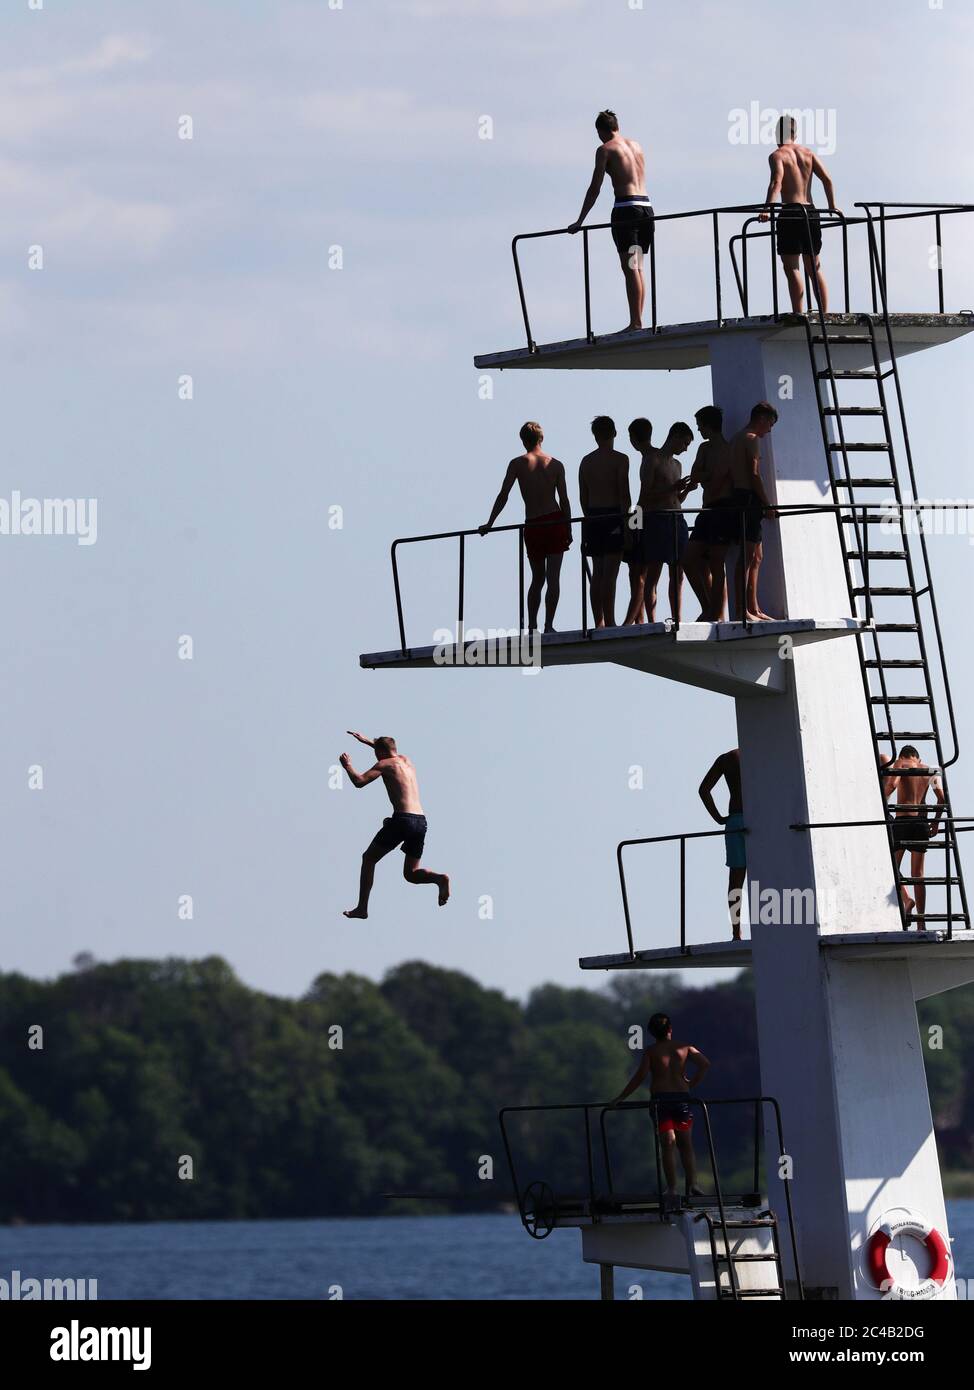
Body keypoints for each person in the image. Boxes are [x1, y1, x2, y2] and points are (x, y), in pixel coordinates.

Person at [341, 732, 450, 919]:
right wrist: (367, 741)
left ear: (380, 753)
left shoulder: (384, 765)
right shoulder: (406, 760)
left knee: (368, 859)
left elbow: (359, 782)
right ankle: (439, 879)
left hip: (402, 820)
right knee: (411, 874)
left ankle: (362, 908)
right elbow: (387, 751)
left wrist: (348, 766)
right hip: (420, 821)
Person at [480, 422, 572, 633]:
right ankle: (549, 626)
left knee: (537, 578)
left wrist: (490, 522)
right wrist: (568, 527)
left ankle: (532, 626)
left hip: (533, 524)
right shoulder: (556, 464)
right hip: (555, 520)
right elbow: (565, 500)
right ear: (542, 439)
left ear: (523, 440)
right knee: (553, 578)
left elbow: (504, 495)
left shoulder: (517, 464)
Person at [568, 110, 653, 333]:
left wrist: (579, 220)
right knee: (638, 267)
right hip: (646, 208)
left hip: (626, 211)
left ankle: (635, 323)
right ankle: (638, 321)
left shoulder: (605, 150)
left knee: (630, 268)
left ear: (601, 131)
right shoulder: (636, 145)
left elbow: (594, 188)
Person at [611, 1012, 710, 1200]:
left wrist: (621, 1097)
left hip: (662, 1102)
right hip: (681, 1099)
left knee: (668, 1143)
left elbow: (640, 1076)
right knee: (685, 1144)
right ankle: (693, 1184)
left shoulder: (651, 1051)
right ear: (670, 1029)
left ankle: (673, 1187)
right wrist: (690, 1084)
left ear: (651, 1033)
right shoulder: (685, 1047)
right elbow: (705, 1064)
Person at [759, 114, 841, 315]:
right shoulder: (808, 154)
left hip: (791, 212)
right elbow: (827, 179)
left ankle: (798, 313)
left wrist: (767, 209)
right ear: (795, 134)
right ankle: (824, 314)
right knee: (814, 267)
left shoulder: (778, 155)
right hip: (811, 212)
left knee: (792, 267)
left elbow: (776, 182)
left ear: (777, 134)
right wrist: (832, 206)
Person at [624, 421, 693, 625]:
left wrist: (686, 490)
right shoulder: (652, 460)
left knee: (678, 573)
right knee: (653, 573)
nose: (686, 448)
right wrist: (673, 488)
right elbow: (646, 496)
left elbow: (676, 500)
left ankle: (677, 618)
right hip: (656, 520)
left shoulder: (677, 465)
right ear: (676, 436)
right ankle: (652, 620)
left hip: (677, 519)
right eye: (685, 443)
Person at [882, 745, 946, 927]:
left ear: (903, 755)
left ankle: (907, 900)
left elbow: (892, 785)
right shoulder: (931, 769)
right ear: (918, 758)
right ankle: (921, 922)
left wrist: (880, 803)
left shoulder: (900, 764)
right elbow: (941, 799)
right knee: (918, 875)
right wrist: (935, 822)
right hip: (921, 825)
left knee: (892, 868)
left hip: (902, 823)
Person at [682, 405, 735, 621]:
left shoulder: (728, 449)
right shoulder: (704, 449)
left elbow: (717, 482)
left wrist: (707, 476)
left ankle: (718, 614)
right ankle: (708, 608)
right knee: (688, 559)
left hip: (723, 510)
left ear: (707, 425)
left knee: (716, 562)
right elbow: (695, 476)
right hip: (707, 510)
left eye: (700, 426)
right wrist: (709, 475)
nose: (699, 430)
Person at [728, 403, 779, 623]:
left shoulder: (737, 438)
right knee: (747, 557)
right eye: (770, 423)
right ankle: (741, 610)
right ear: (761, 418)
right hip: (748, 499)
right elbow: (754, 475)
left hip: (740, 498)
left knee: (757, 556)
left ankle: (754, 607)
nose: (769, 429)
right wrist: (767, 504)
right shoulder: (751, 439)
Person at [578, 416, 631, 628]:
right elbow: (624, 494)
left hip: (592, 517)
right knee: (610, 574)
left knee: (597, 572)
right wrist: (627, 526)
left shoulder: (586, 461)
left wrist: (590, 517)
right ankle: (609, 620)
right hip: (613, 516)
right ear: (615, 433)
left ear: (595, 436)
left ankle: (598, 620)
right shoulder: (620, 459)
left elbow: (583, 495)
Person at [699, 749, 746, 940]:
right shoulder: (761, 752)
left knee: (735, 881)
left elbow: (704, 790)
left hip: (734, 821)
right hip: (760, 820)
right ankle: (774, 925)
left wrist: (719, 818)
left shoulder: (727, 758)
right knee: (768, 877)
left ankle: (736, 932)